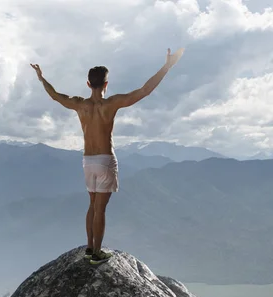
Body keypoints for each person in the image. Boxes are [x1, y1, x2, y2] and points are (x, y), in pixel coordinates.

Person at [31, 47, 185, 264]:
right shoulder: (111, 104)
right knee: (100, 209)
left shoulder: (79, 104)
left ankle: (89, 247)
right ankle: (96, 253)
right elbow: (144, 91)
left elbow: (55, 96)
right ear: (106, 84)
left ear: (88, 84)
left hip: (88, 161)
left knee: (92, 204)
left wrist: (41, 77)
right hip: (105, 160)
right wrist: (167, 66)